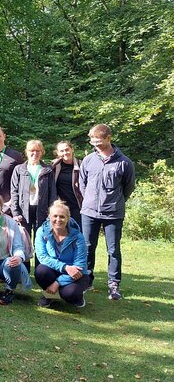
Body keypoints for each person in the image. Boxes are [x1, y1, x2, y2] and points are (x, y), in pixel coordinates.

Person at [79, 124, 135, 300]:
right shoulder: (88, 160)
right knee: (87, 247)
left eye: (98, 140)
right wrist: (90, 201)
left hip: (113, 213)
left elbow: (128, 188)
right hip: (89, 212)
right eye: (92, 140)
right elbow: (82, 184)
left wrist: (115, 202)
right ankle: (87, 281)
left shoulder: (124, 162)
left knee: (113, 249)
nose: (94, 143)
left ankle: (114, 284)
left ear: (108, 138)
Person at [10, 140, 57, 268]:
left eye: (37, 151)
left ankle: (40, 269)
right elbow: (14, 192)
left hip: (41, 211)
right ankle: (24, 269)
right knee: (24, 240)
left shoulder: (48, 170)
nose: (34, 153)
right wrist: (15, 212)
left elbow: (53, 193)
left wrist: (51, 213)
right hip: (23, 211)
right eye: (32, 150)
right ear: (27, 152)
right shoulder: (19, 170)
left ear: (42, 152)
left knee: (41, 240)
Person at [35, 200, 89, 308]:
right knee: (41, 271)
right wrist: (65, 267)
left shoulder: (78, 236)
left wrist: (57, 283)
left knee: (69, 294)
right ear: (49, 217)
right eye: (55, 216)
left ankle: (77, 296)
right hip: (55, 269)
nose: (58, 220)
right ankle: (49, 296)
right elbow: (42, 257)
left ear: (68, 218)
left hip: (75, 274)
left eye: (62, 217)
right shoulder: (41, 231)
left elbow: (80, 265)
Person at [51, 140, 83, 229]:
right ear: (57, 153)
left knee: (78, 233)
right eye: (61, 151)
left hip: (78, 206)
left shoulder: (82, 165)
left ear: (72, 149)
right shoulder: (53, 166)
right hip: (61, 207)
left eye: (67, 149)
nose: (65, 153)